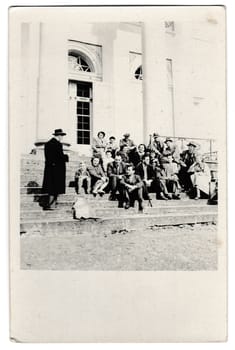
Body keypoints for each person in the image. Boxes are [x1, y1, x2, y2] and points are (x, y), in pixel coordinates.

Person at [41, 129, 69, 210]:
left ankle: (52, 204)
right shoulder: (57, 144)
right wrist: (66, 156)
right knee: (54, 187)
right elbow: (59, 157)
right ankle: (52, 205)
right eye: (62, 136)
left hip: (50, 168)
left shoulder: (48, 143)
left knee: (51, 187)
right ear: (59, 135)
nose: (62, 137)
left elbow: (49, 157)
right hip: (57, 169)